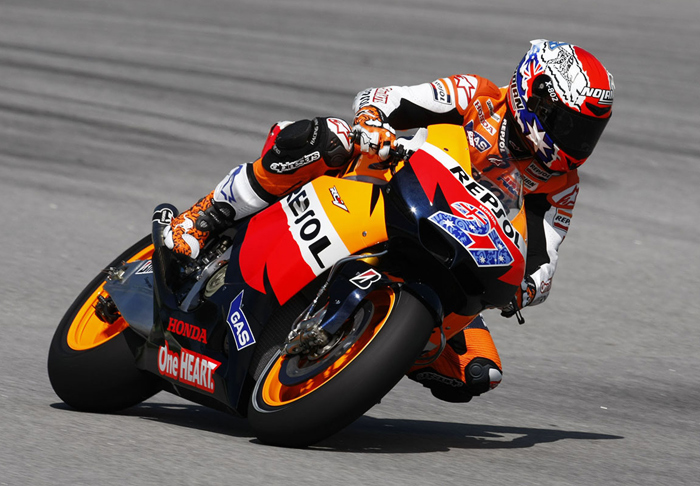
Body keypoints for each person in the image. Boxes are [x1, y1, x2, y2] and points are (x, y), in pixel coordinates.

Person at [164, 39, 614, 403]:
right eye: (570, 125)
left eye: (588, 132)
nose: (577, 143)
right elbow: (384, 98)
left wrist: (528, 286)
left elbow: (543, 257)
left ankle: (390, 345)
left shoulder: (560, 185)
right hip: (379, 185)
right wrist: (373, 123)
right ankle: (203, 217)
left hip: (448, 251)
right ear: (534, 95)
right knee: (329, 138)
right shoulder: (476, 95)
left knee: (481, 371)